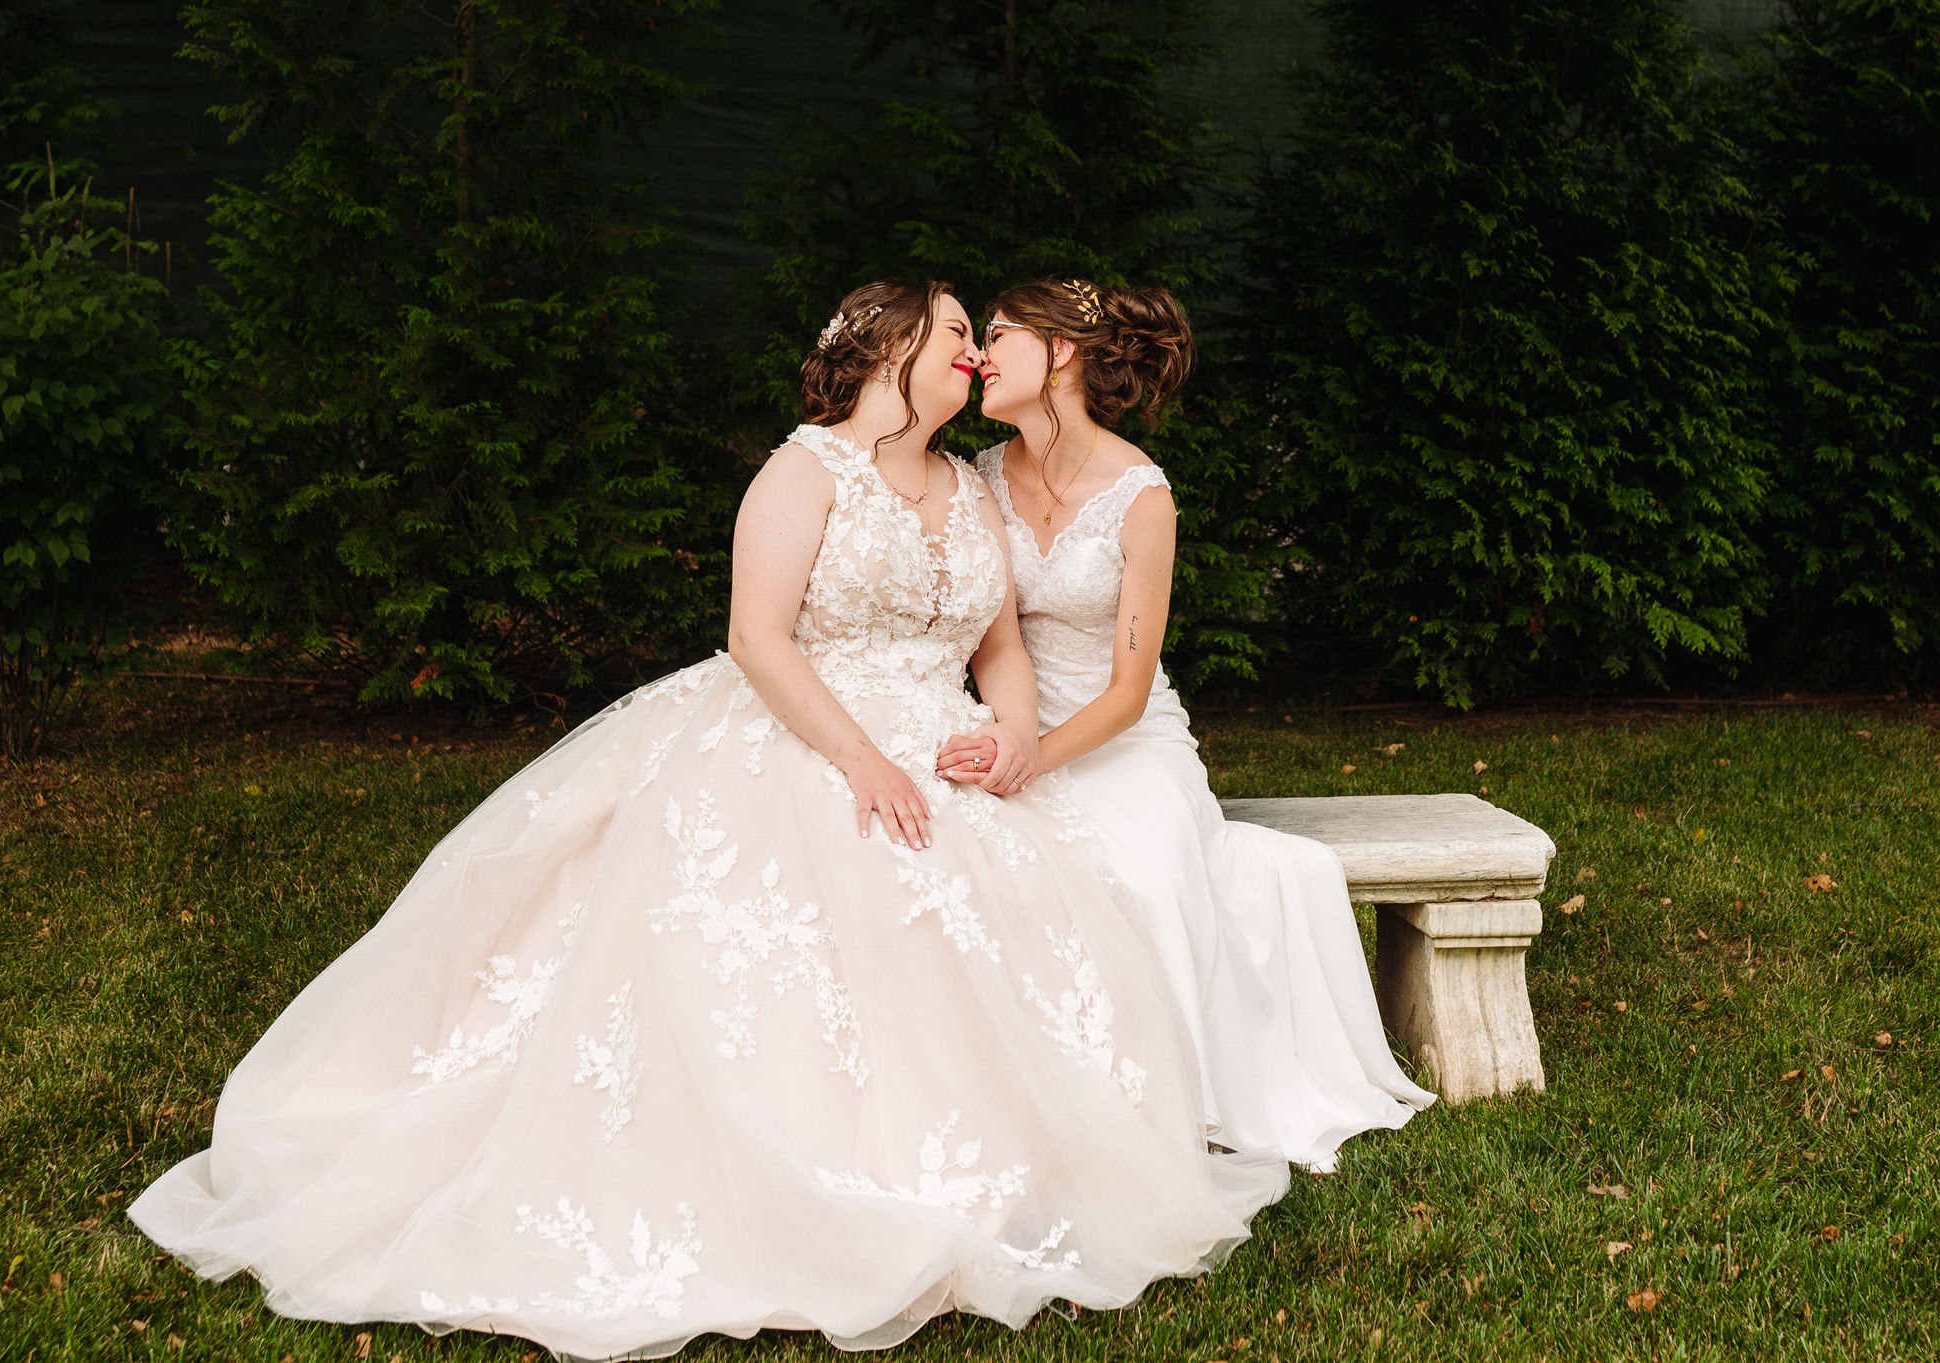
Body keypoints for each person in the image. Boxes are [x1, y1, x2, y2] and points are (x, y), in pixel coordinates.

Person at [128, 279, 1287, 1360]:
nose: (973, 353)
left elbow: (999, 647)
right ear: (890, 351)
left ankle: (997, 1169)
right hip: (802, 735)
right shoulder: (803, 473)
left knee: (1006, 916)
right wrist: (859, 762)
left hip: (942, 740)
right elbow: (757, 639)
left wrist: (1012, 735)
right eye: (951, 336)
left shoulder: (965, 484)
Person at [937, 277, 1434, 1167]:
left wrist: (1035, 758)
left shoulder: (1141, 497)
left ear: (1062, 353)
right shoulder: (976, 480)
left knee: (1146, 878)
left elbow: (1128, 692)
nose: (979, 354)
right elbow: (987, 636)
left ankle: (1167, 1105)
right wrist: (1009, 741)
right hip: (1013, 721)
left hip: (1124, 740)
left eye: (999, 334)